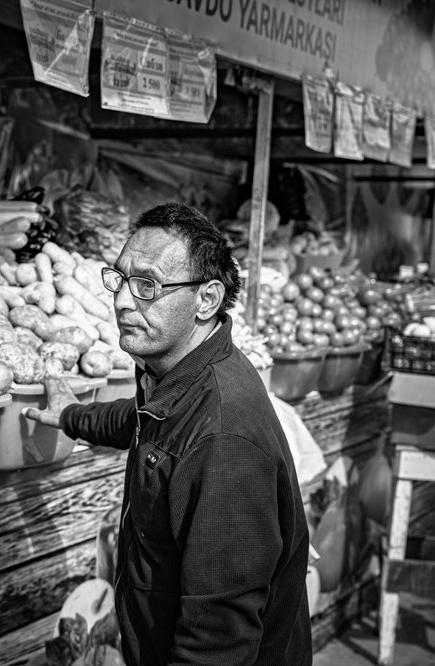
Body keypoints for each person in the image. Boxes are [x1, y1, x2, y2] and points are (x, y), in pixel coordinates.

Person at [25, 203, 312, 665]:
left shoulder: (224, 440)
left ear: (207, 300)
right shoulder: (179, 377)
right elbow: (146, 423)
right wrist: (73, 416)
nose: (121, 300)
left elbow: (219, 636)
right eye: (119, 279)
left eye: (148, 286)